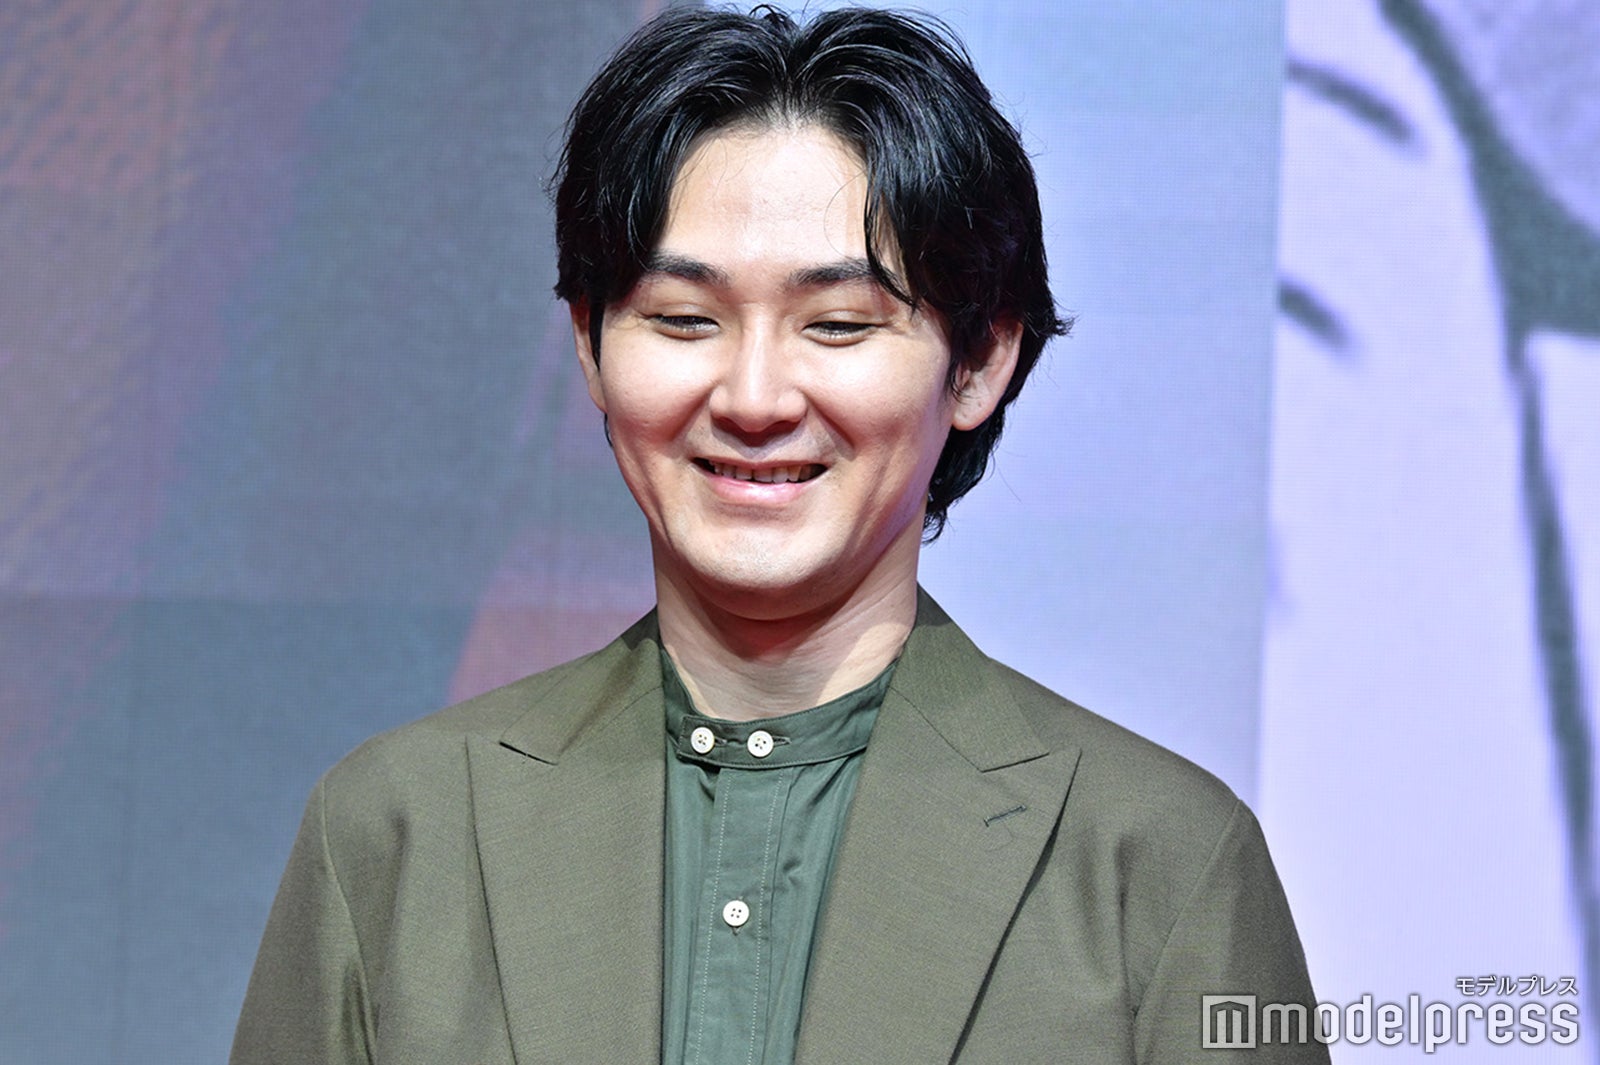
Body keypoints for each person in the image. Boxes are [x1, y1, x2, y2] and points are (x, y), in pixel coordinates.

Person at [232, 6, 1326, 1063]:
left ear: (980, 362)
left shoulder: (1155, 862)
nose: (754, 397)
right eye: (684, 319)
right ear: (589, 344)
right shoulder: (397, 831)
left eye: (837, 325)